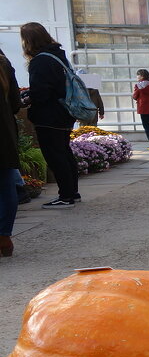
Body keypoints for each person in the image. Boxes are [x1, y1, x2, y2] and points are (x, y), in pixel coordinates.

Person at [21, 22, 80, 209]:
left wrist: (26, 99)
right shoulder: (58, 55)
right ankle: (73, 192)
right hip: (64, 112)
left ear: (28, 41)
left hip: (49, 116)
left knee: (55, 155)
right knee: (64, 152)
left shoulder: (40, 61)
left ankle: (66, 196)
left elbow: (41, 93)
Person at [0, 47, 21, 255]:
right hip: (3, 137)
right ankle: (4, 238)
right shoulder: (4, 64)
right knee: (6, 187)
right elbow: (16, 104)